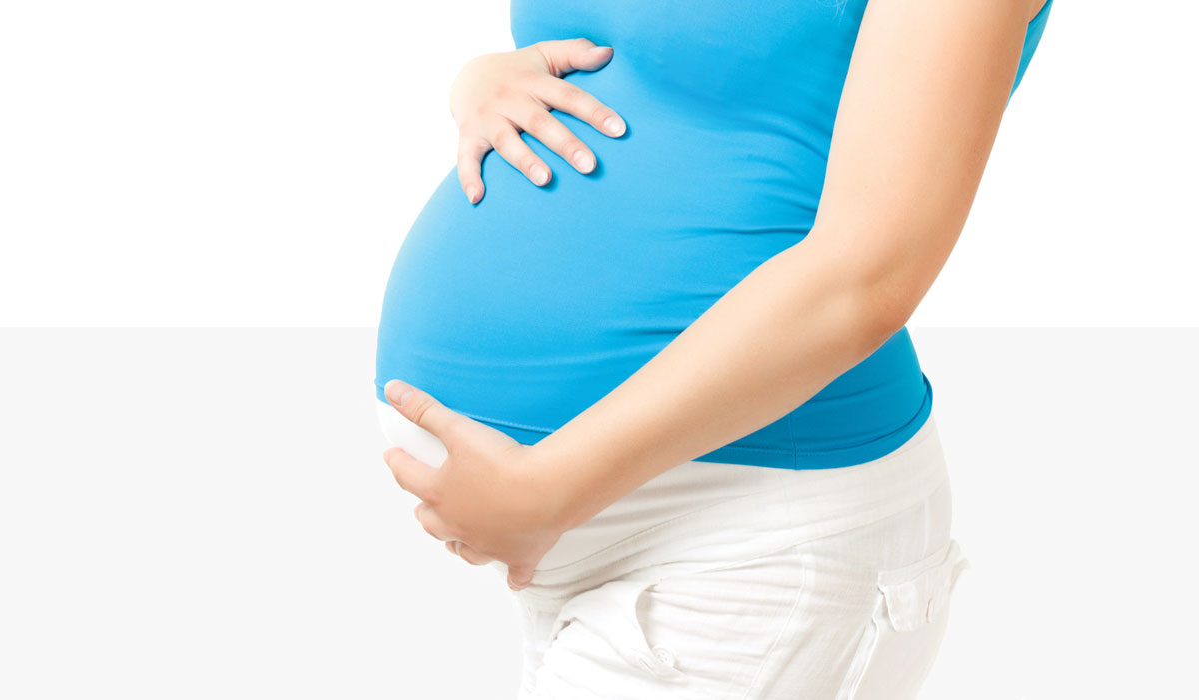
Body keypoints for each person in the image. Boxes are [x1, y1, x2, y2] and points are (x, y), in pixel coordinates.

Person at [371, 1, 1053, 697]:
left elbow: (868, 276)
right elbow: (645, 64)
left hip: (750, 538)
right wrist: (484, 79)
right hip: (585, 526)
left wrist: (546, 490)